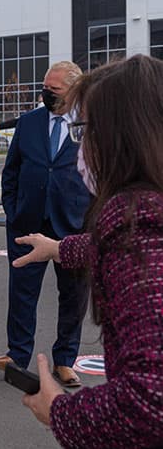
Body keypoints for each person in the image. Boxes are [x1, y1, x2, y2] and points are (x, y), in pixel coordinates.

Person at [13, 54, 163, 448]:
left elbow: (149, 401)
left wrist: (60, 411)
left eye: (85, 129)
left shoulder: (140, 228)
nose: (81, 146)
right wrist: (60, 248)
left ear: (119, 134)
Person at [0, 61, 91, 388]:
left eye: (53, 90)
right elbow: (11, 171)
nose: (46, 93)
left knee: (73, 296)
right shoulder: (29, 122)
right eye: (45, 87)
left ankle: (65, 360)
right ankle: (17, 355)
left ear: (73, 90)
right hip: (28, 222)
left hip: (72, 225)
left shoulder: (91, 124)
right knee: (22, 293)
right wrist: (12, 209)